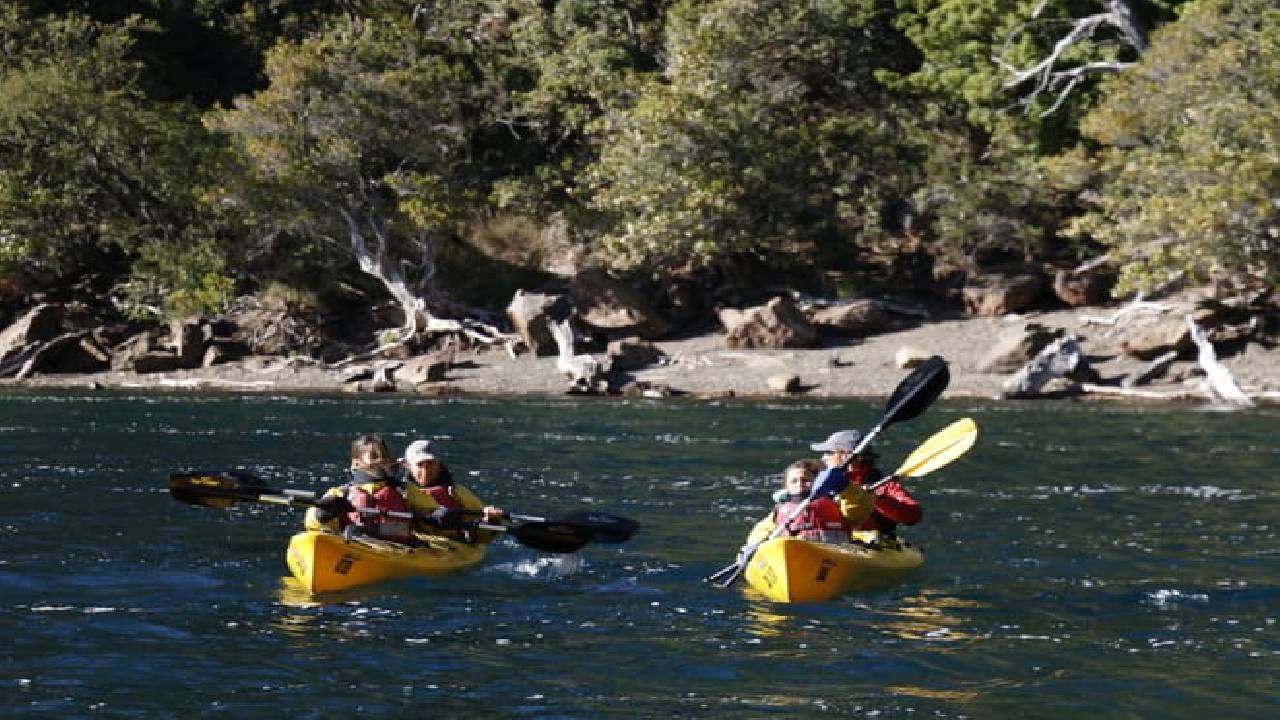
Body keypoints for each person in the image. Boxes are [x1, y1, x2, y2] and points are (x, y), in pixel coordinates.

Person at [306, 434, 465, 543]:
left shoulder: (404, 491)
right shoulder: (341, 493)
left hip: (397, 549)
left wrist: (439, 517)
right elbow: (312, 523)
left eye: (384, 456)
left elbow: (430, 509)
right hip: (356, 545)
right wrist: (322, 514)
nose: (381, 460)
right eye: (374, 456)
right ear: (356, 463)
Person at [810, 429, 922, 538]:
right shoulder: (823, 480)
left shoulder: (883, 485)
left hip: (872, 543)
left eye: (829, 452)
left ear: (846, 455)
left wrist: (876, 498)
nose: (823, 458)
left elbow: (913, 516)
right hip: (832, 538)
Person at [400, 439, 506, 541]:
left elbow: (483, 536)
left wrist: (491, 521)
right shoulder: (399, 492)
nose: (425, 471)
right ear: (407, 465)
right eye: (420, 465)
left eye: (430, 464)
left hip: (447, 544)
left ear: (439, 465)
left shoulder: (457, 494)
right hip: (408, 542)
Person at [743, 459, 850, 546]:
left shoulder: (835, 502)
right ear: (787, 487)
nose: (799, 484)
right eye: (794, 481)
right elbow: (761, 531)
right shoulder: (780, 509)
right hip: (793, 550)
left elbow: (855, 511)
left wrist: (848, 488)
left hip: (830, 550)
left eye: (805, 480)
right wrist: (755, 545)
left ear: (817, 482)